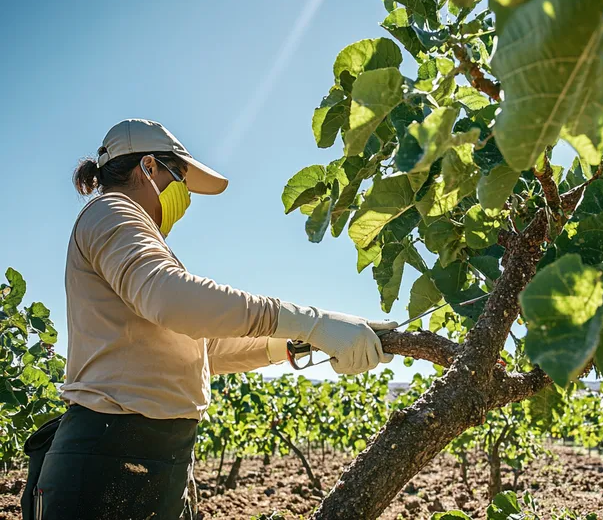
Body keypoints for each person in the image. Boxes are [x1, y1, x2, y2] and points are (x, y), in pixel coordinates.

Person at [29, 119, 396, 519]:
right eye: (180, 178)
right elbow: (174, 300)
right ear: (147, 168)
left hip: (145, 457)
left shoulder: (128, 234)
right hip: (109, 458)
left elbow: (199, 346)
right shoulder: (113, 211)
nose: (185, 195)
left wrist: (307, 340)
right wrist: (310, 321)